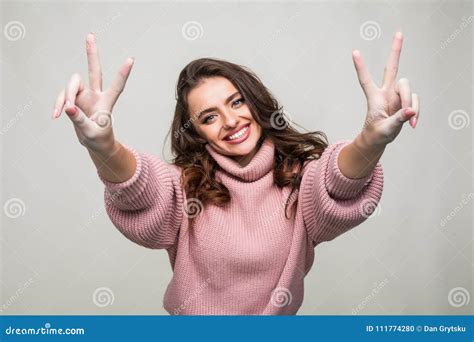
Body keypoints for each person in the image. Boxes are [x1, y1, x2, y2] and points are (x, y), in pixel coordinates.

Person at [53, 31, 420, 315]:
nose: (231, 121)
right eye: (209, 117)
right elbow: (141, 190)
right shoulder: (184, 188)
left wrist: (372, 138)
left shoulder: (301, 182)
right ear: (195, 131)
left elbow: (336, 183)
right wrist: (102, 145)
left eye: (236, 101)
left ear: (255, 100)